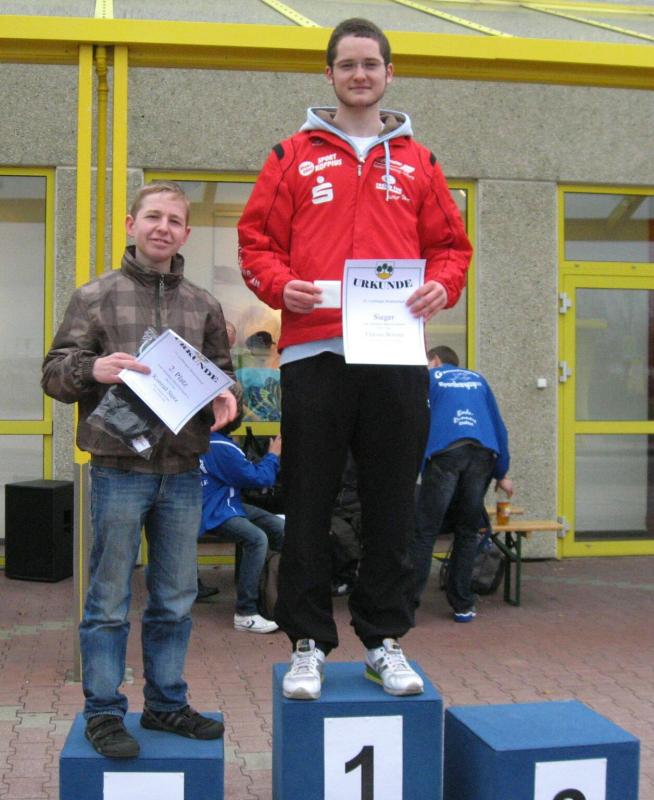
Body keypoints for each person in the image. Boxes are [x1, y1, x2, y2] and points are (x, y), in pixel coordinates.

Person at [238, 18, 472, 700]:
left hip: (395, 355)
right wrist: (280, 286)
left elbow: (451, 249)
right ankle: (307, 643)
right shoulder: (290, 155)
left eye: (371, 63)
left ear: (389, 73)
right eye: (348, 64)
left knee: (392, 503)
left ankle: (383, 640)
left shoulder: (421, 162)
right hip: (314, 351)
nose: (360, 74)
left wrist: (443, 285)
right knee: (308, 502)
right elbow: (256, 242)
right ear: (330, 74)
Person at [41, 181, 238, 759]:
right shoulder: (95, 296)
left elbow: (222, 376)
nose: (163, 228)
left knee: (175, 597)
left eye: (174, 220)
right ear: (131, 224)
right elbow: (53, 373)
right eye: (153, 217)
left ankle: (166, 704)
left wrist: (227, 397)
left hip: (183, 469)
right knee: (107, 600)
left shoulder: (203, 304)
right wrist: (93, 368)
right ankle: (104, 712)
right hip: (117, 468)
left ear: (186, 233)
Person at [410, 345, 513, 622]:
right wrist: (502, 473)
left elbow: (416, 422)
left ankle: (408, 605)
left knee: (425, 531)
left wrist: (412, 467)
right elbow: (498, 427)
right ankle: (463, 604)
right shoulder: (478, 379)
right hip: (482, 455)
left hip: (446, 454)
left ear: (435, 360)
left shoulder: (430, 378)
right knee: (467, 531)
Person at [198, 417, 284, 634]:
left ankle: (273, 592)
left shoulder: (203, 440)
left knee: (278, 526)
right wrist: (273, 454)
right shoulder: (221, 445)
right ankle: (246, 611)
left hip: (224, 504)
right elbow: (260, 478)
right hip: (217, 510)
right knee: (256, 539)